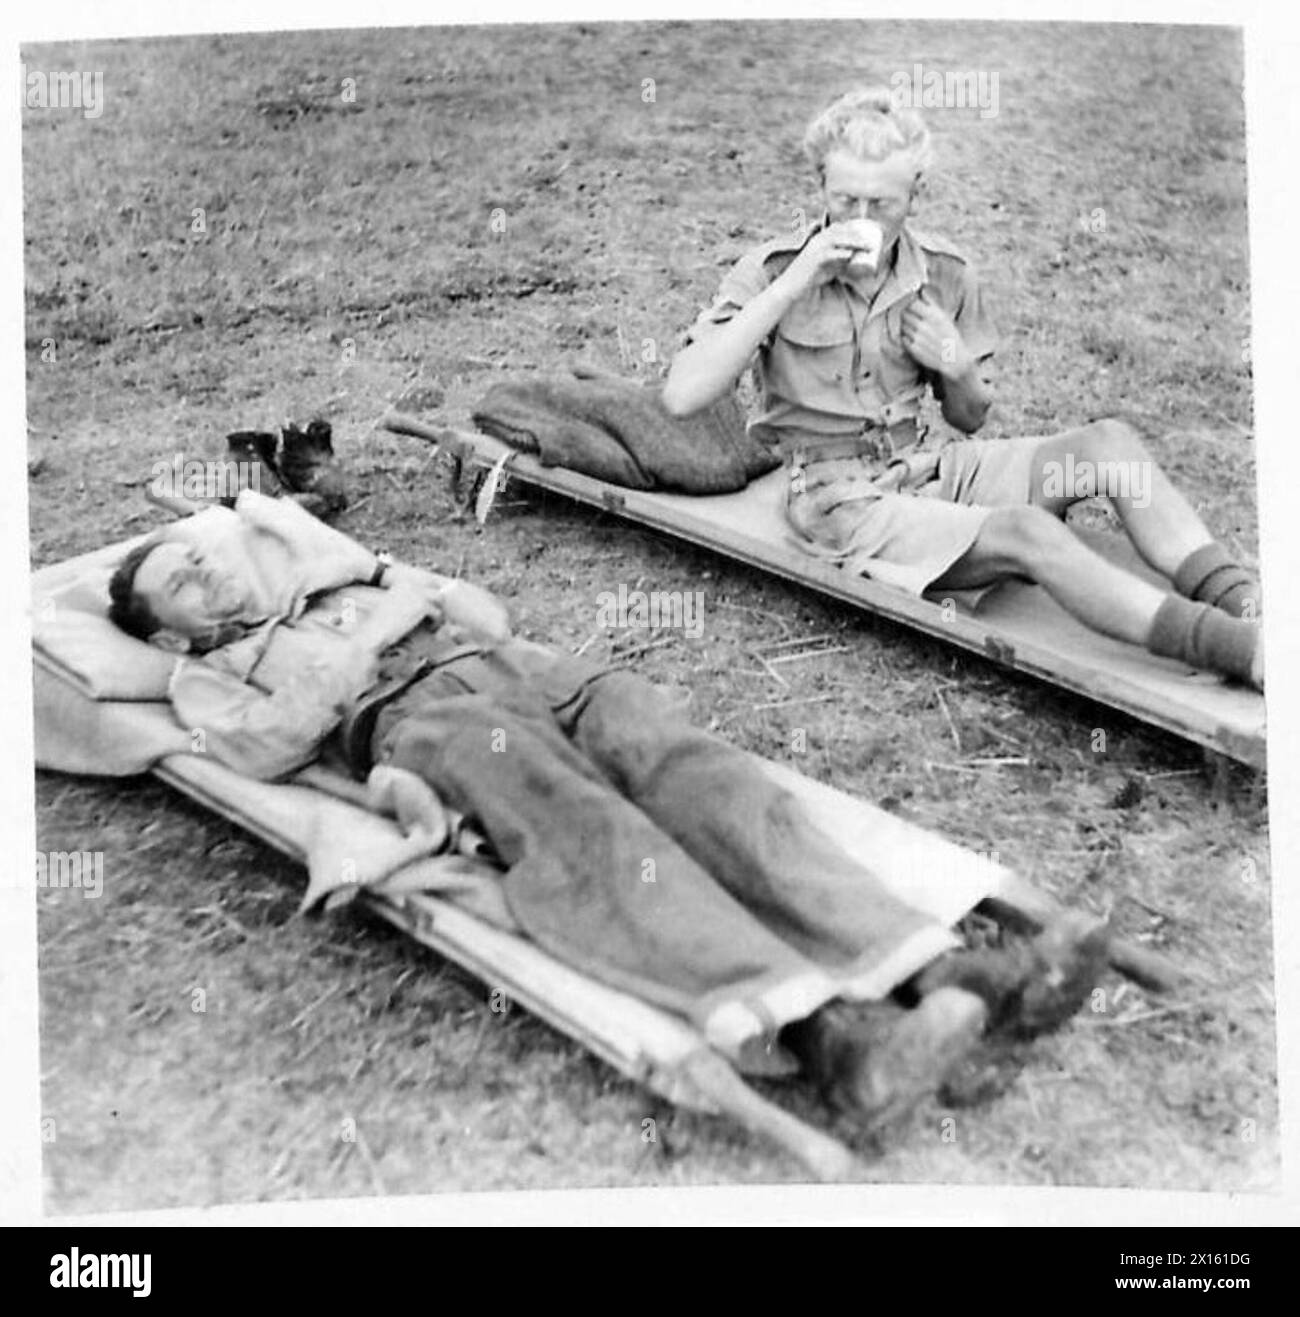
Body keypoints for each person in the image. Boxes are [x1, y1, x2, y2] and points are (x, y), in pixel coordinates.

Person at [107, 489, 1106, 1135]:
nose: (206, 573)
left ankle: (938, 968)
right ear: (172, 636)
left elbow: (488, 617)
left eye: (201, 557)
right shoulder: (211, 681)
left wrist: (373, 575)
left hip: (529, 673)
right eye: (179, 586)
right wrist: (366, 642)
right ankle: (834, 1039)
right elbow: (265, 748)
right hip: (423, 724)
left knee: (700, 775)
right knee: (597, 835)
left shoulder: (339, 583)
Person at [662, 87, 1262, 691]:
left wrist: (956, 365)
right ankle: (1241, 652)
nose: (862, 219)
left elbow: (970, 418)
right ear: (820, 185)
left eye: (883, 203)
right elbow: (683, 396)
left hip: (923, 469)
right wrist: (793, 284)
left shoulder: (946, 273)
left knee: (1108, 444)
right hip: (831, 499)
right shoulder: (773, 269)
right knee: (1027, 532)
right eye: (845, 199)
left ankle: (1244, 605)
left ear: (915, 195)